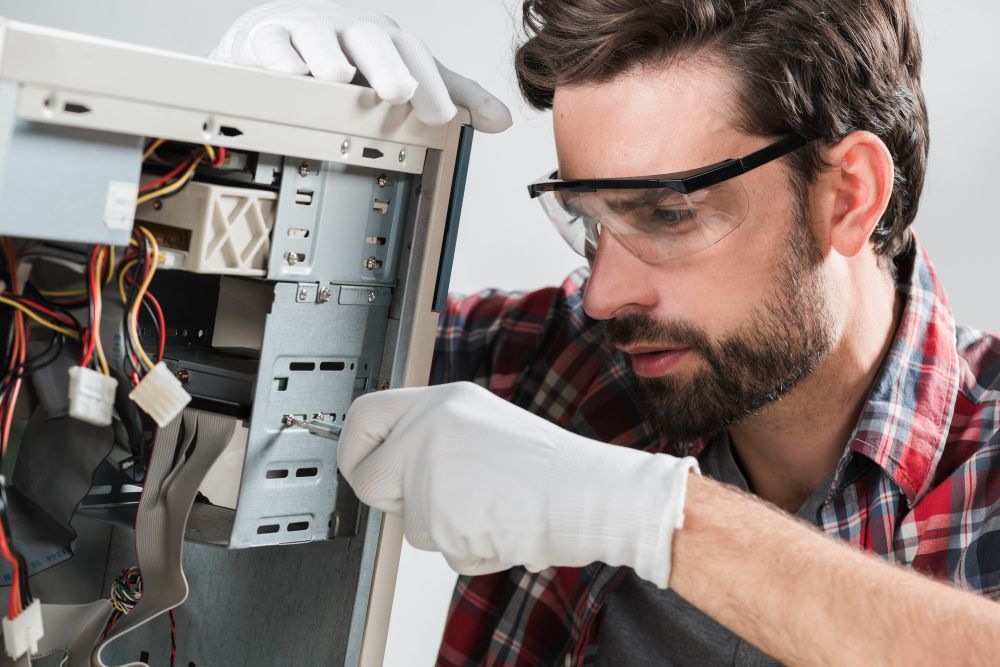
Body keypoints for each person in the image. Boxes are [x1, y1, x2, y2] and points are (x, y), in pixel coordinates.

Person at [214, 1, 1000, 664]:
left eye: (667, 213)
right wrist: (234, 144)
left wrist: (654, 519)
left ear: (849, 196)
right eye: (590, 221)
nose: (603, 294)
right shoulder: (553, 367)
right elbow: (191, 367)